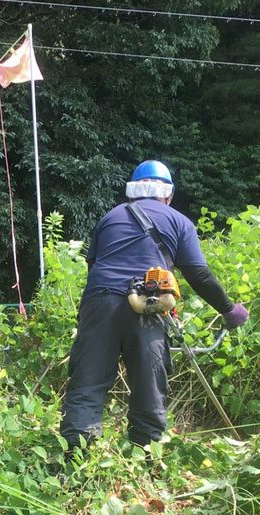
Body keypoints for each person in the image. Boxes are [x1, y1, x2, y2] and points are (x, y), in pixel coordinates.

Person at [60, 160, 249, 453]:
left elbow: (94, 265)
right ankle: (143, 457)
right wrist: (229, 310)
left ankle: (75, 459)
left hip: (99, 301)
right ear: (168, 195)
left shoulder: (110, 217)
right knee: (149, 385)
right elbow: (198, 274)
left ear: (133, 192)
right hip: (149, 304)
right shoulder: (178, 221)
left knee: (88, 382)